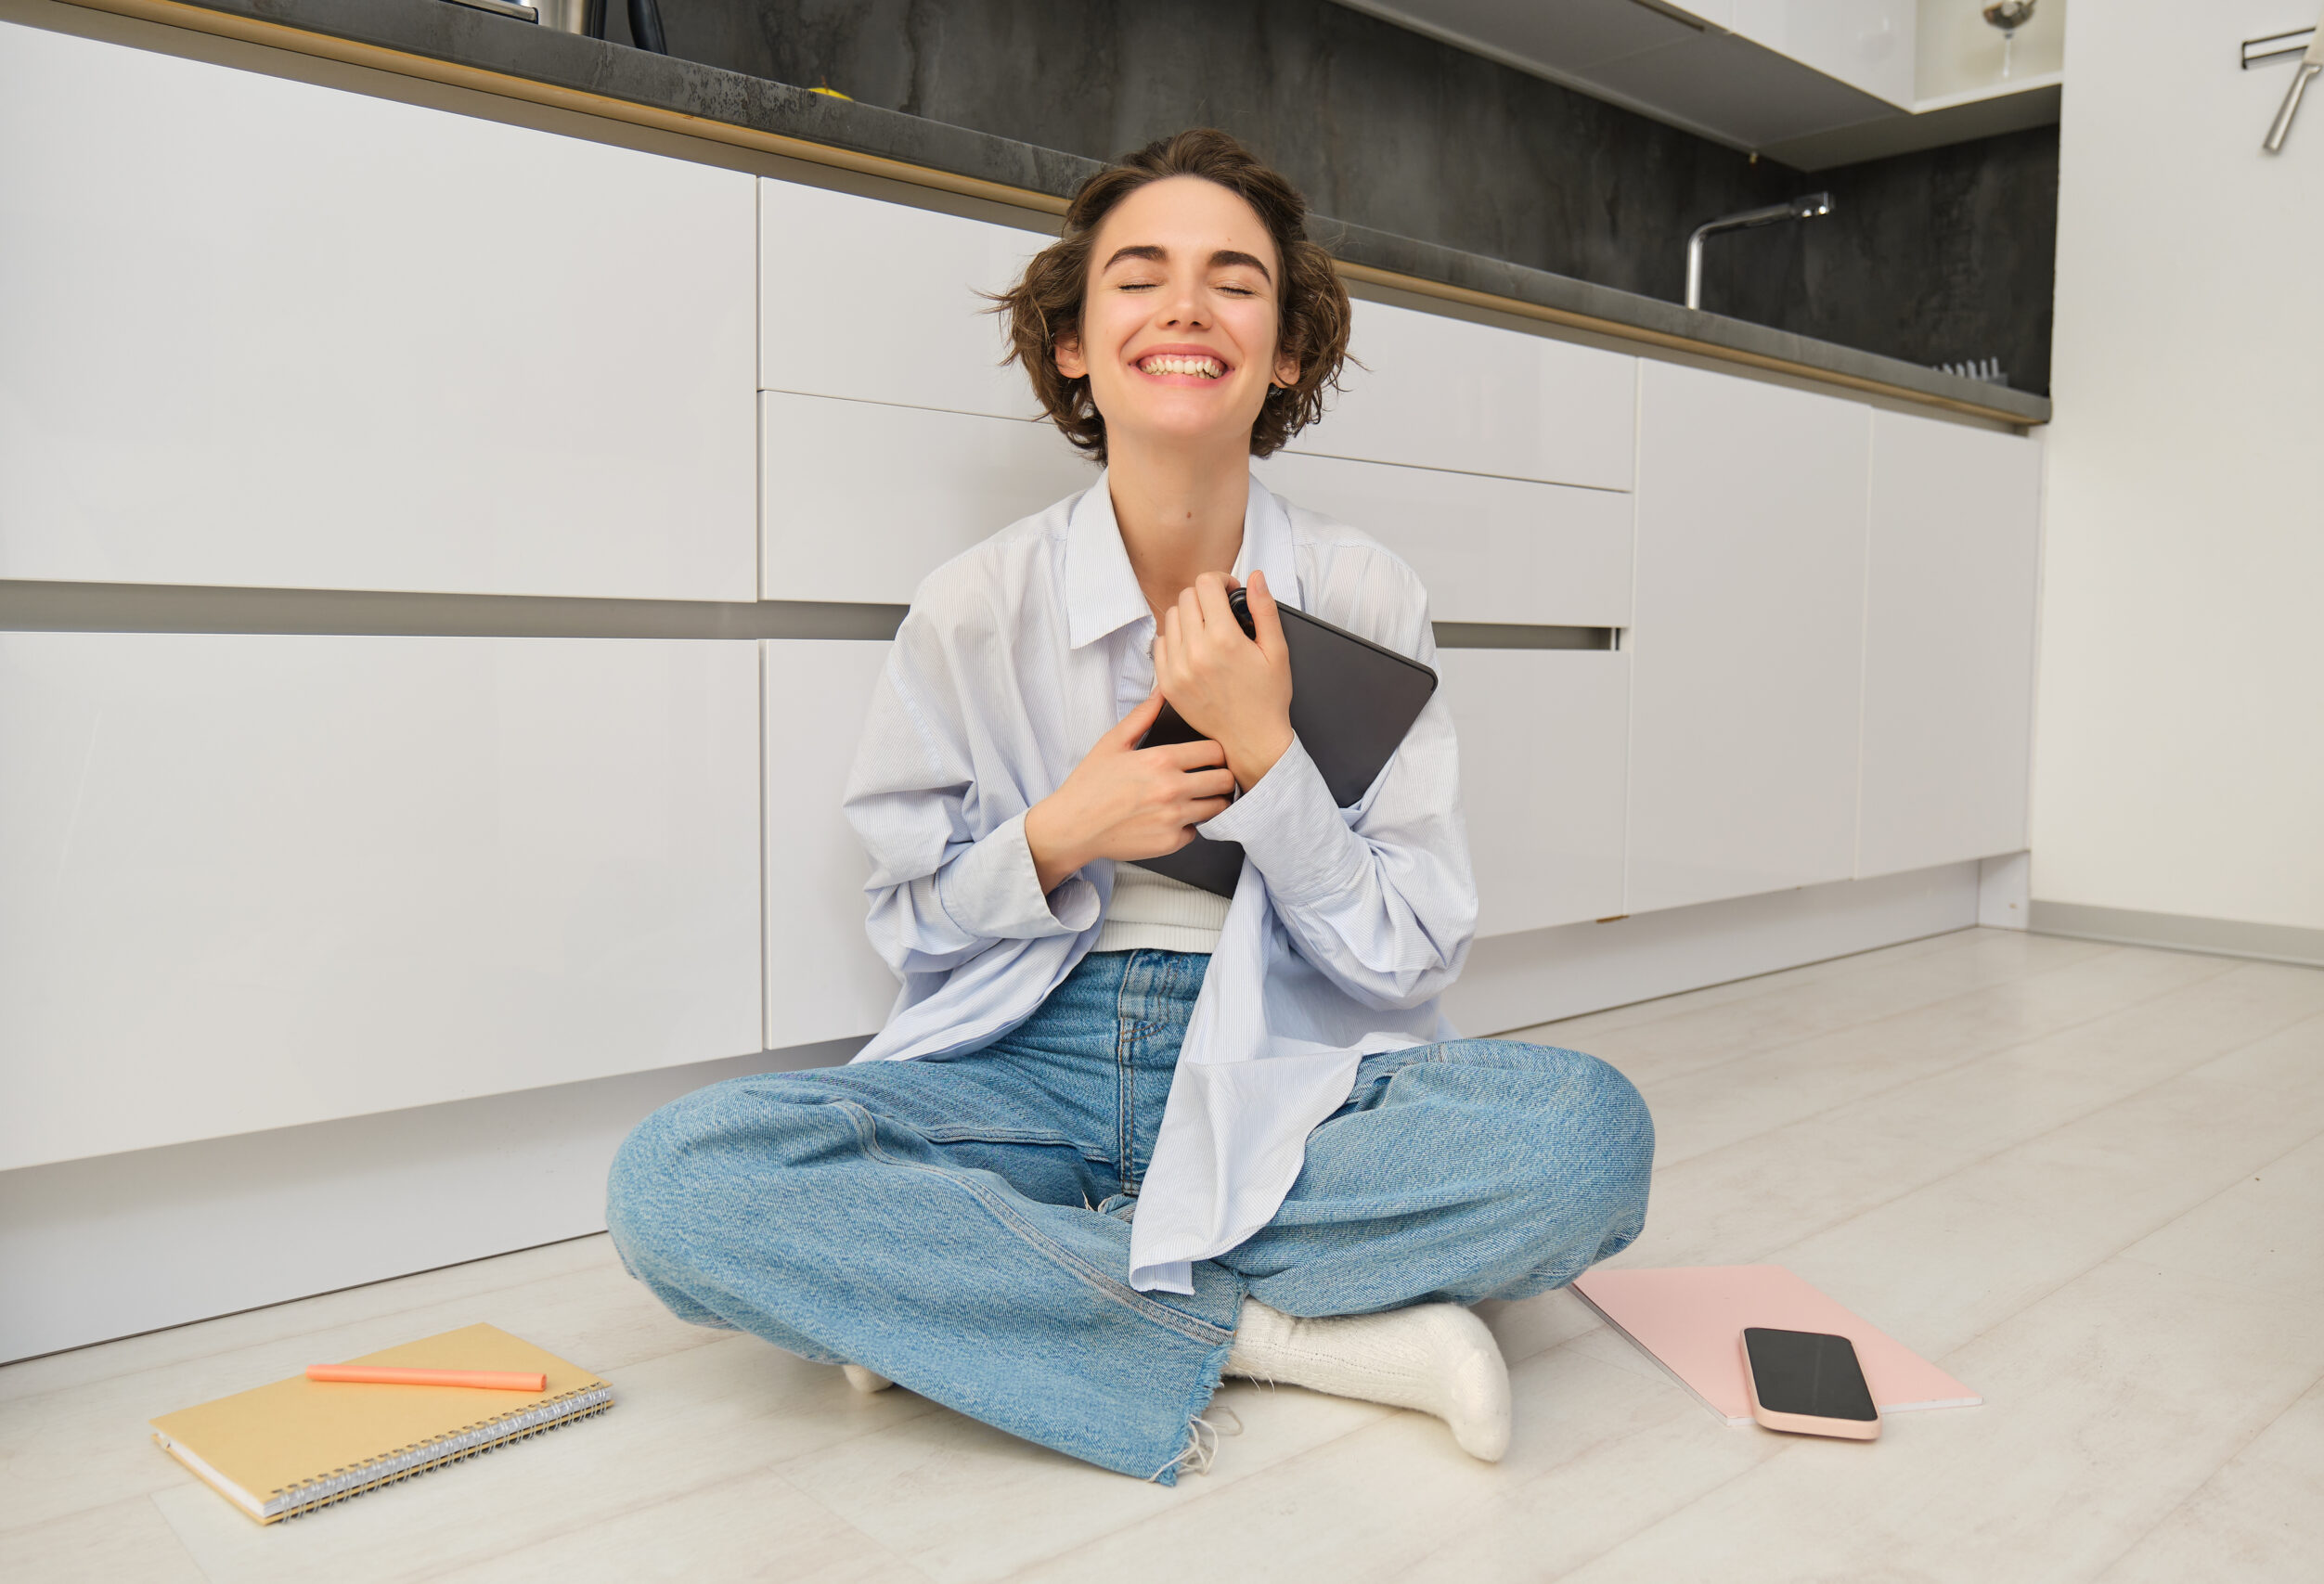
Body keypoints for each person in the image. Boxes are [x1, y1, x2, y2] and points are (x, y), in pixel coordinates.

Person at [607, 128, 1653, 1484]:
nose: (1186, 306)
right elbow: (911, 926)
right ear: (1072, 347)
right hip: (1025, 1058)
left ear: (1285, 352)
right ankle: (1282, 1335)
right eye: (1139, 276)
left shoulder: (1365, 592)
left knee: (1587, 1144)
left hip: (1299, 1065)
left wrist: (1274, 768)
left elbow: (1416, 951)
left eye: (1236, 281)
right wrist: (1062, 831)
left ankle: (979, 1295)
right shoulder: (976, 606)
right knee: (679, 1184)